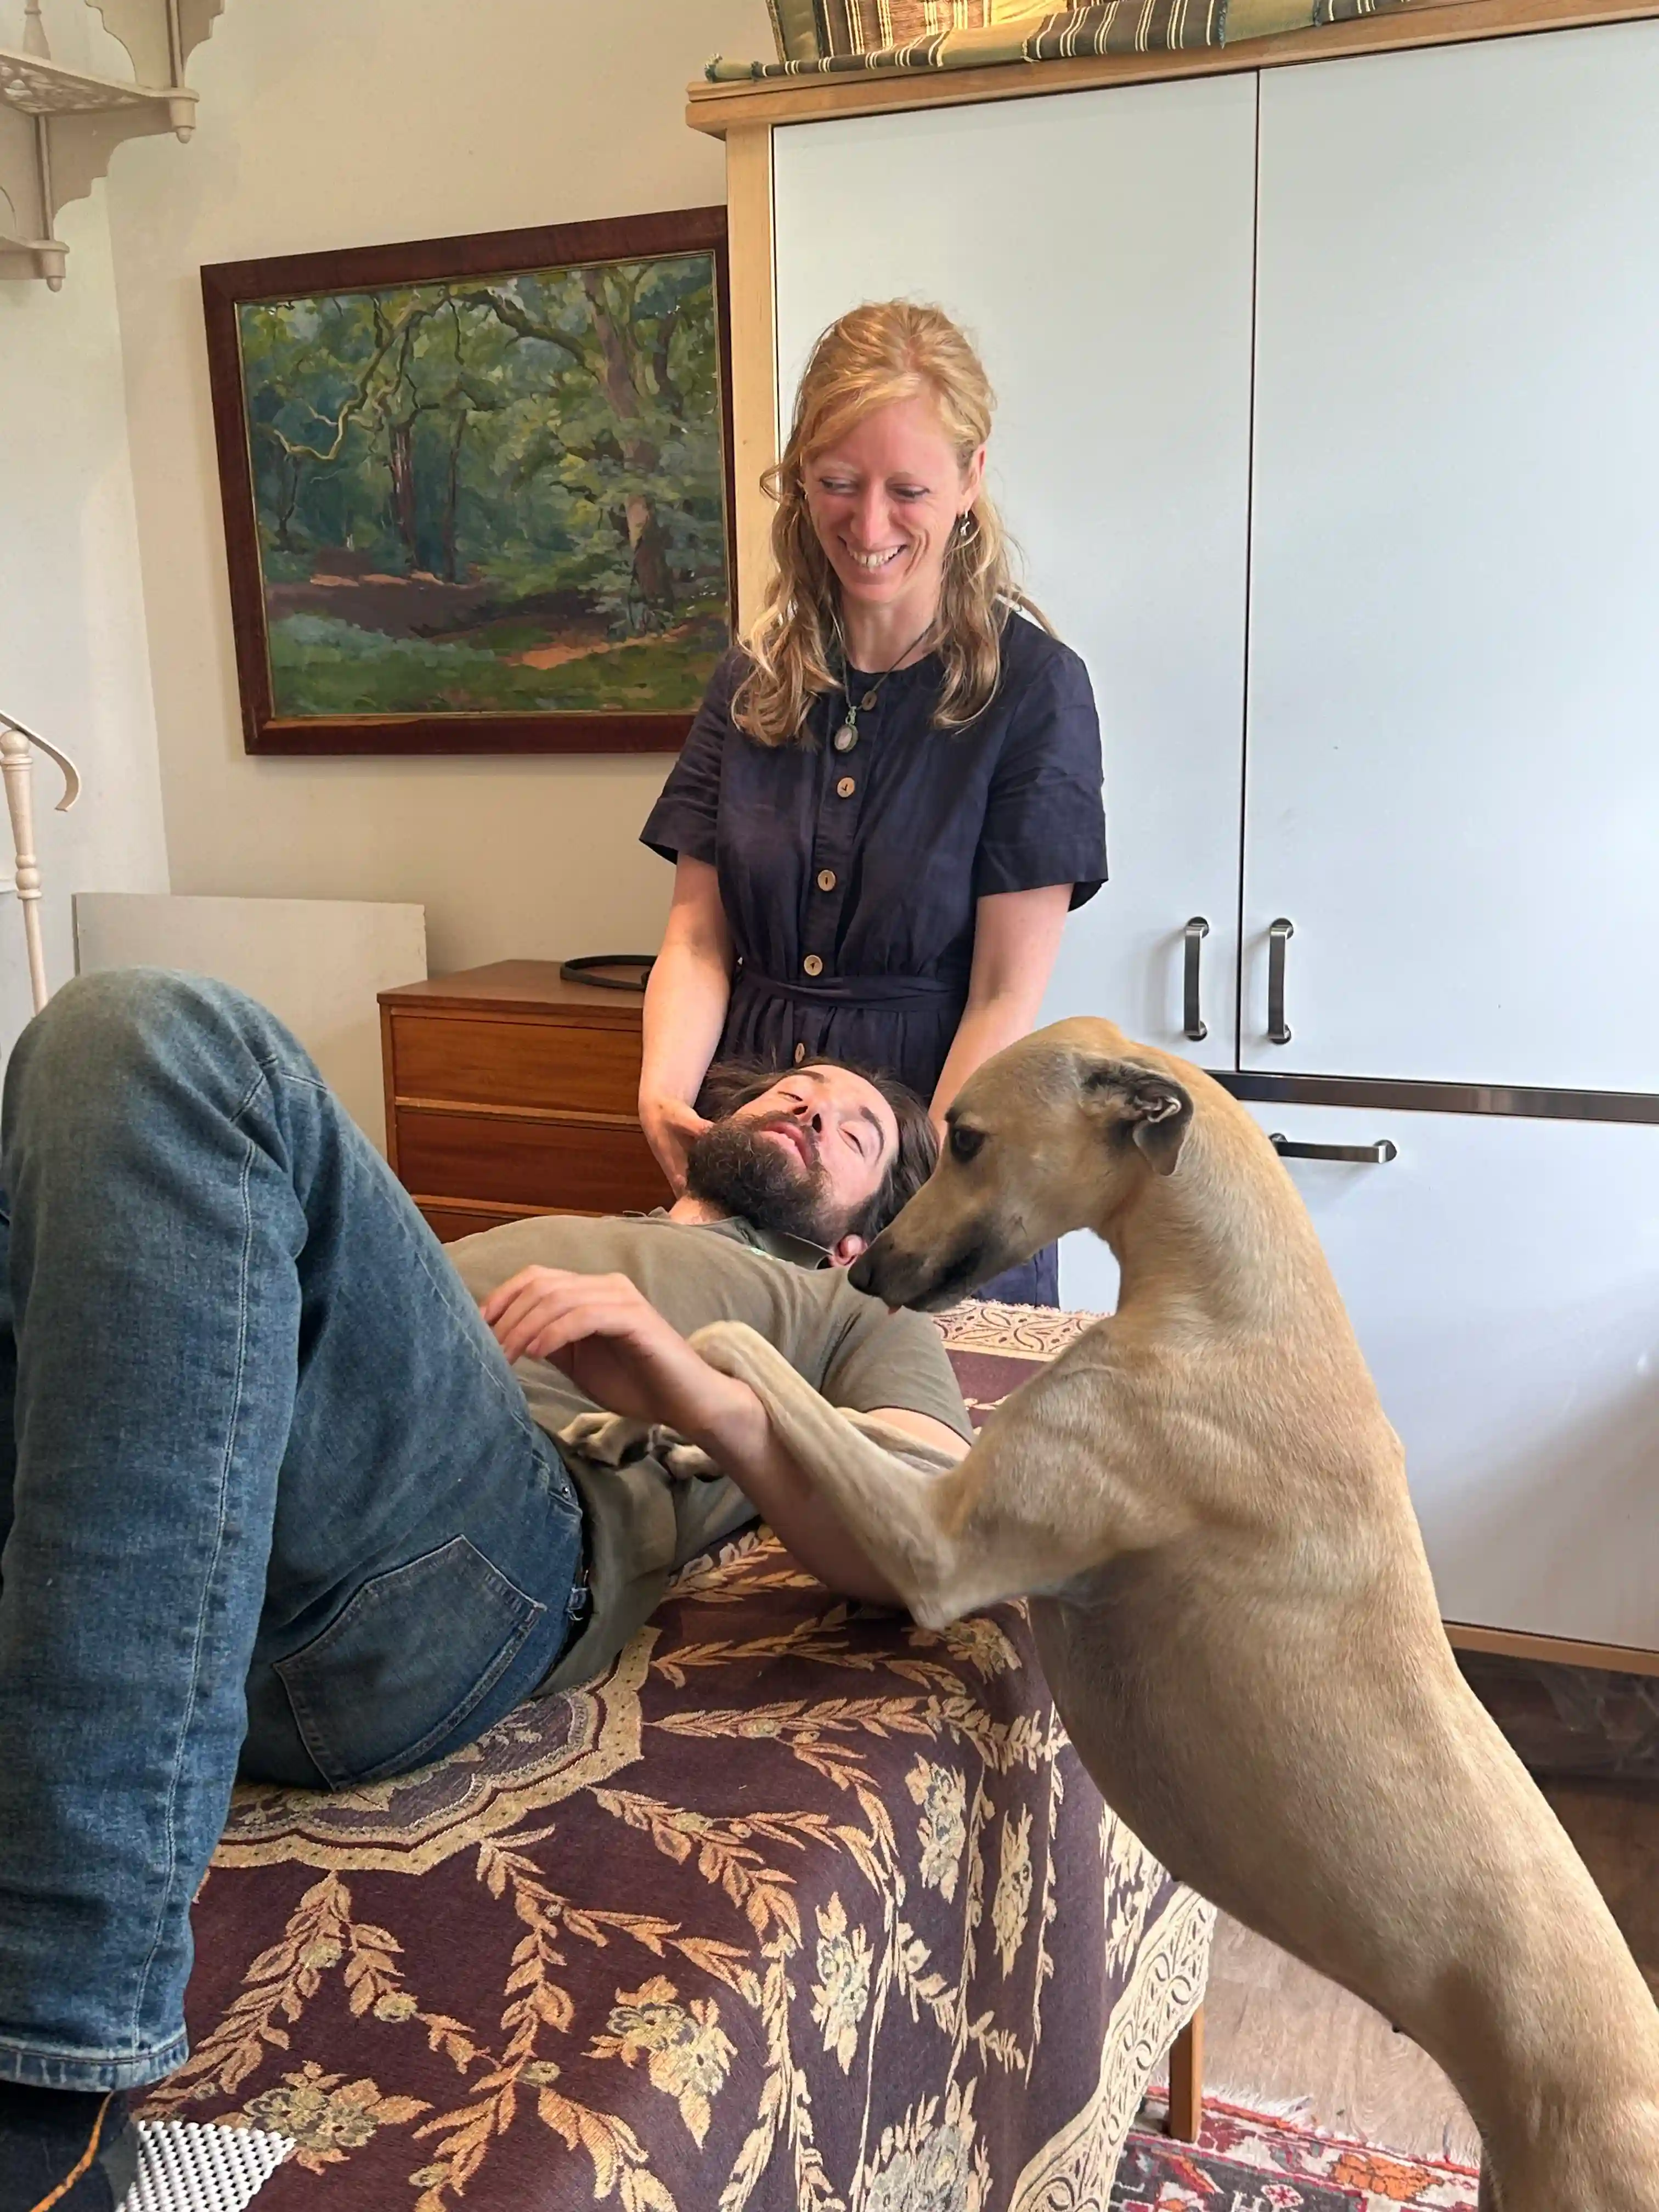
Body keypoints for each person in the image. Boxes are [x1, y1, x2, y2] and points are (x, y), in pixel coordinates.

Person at [0, 969, 970, 2212]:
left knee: (149, 1037)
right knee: (49, 1164)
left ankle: (51, 2084)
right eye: (797, 1086)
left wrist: (691, 1381)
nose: (811, 1107)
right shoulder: (542, 1238)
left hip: (475, 1566)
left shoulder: (849, 1311)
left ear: (857, 1232)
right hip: (232, 1510)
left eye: (853, 1129)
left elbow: (926, 1539)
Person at [639, 299, 1108, 1307]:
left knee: (919, 1447)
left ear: (972, 479)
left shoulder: (1035, 691)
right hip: (756, 1139)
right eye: (838, 485)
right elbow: (697, 943)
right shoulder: (753, 679)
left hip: (943, 1142)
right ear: (801, 477)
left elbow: (1001, 996)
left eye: (909, 489)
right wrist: (664, 1097)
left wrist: (924, 1186)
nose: (870, 525)